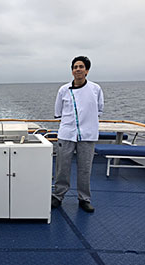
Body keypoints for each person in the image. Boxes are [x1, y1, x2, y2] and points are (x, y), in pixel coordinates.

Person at [51, 56, 104, 213]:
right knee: (62, 167)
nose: (78, 69)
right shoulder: (63, 90)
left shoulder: (96, 89)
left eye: (81, 67)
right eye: (75, 67)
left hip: (87, 135)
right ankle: (58, 196)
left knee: (85, 168)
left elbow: (99, 109)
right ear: (72, 71)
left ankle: (84, 199)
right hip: (67, 134)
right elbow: (58, 112)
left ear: (87, 71)